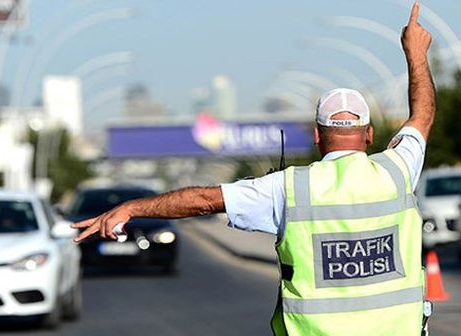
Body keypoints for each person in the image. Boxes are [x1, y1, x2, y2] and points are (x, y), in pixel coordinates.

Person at [73, 1, 434, 335]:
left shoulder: (289, 188)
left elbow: (201, 201)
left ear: (316, 136)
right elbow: (422, 115)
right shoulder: (397, 170)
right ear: (369, 134)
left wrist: (132, 207)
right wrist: (415, 53)